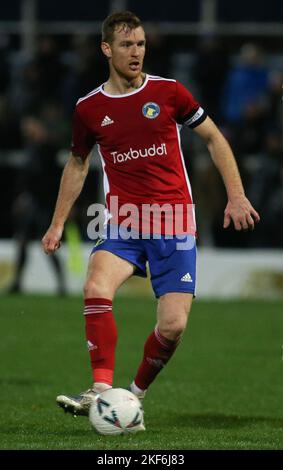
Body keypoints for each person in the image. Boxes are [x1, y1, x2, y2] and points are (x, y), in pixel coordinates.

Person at [42, 11, 260, 419]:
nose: (136, 52)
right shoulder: (89, 108)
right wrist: (57, 223)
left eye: (140, 44)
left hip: (174, 221)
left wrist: (236, 195)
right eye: (126, 45)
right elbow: (76, 164)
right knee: (95, 286)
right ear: (107, 49)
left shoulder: (170, 92)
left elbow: (213, 137)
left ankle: (134, 395)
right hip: (123, 220)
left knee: (173, 326)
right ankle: (101, 390)